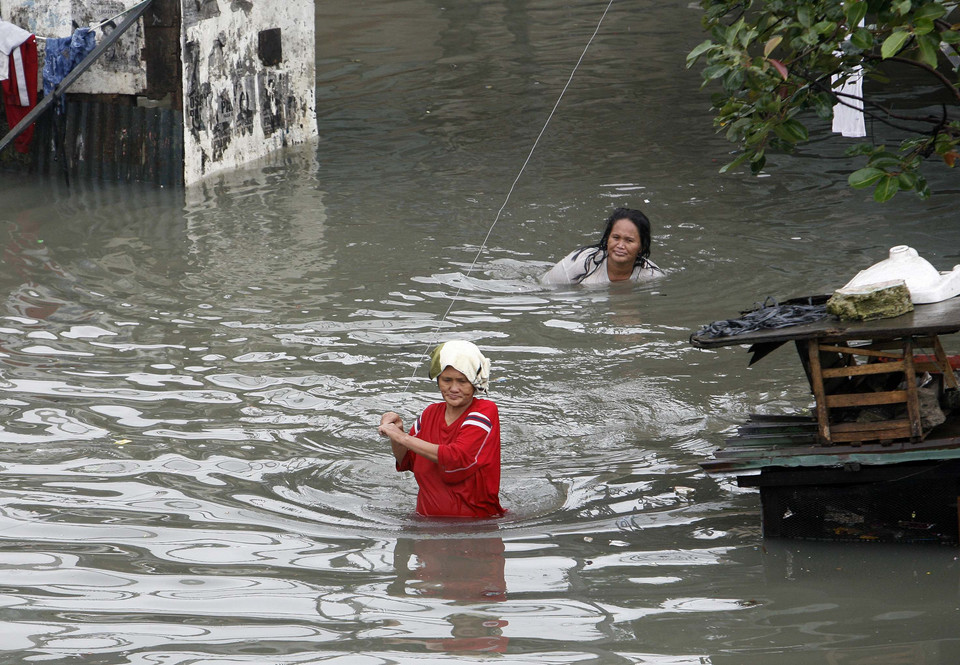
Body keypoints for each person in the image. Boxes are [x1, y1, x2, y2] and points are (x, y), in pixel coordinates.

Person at [379, 340, 504, 518]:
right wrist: (396, 433)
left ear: (475, 383)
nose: (454, 388)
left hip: (477, 529)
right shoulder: (430, 413)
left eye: (462, 381)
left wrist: (402, 437)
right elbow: (408, 460)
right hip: (425, 526)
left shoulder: (485, 411)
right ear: (437, 379)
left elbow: (456, 457)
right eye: (447, 380)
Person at [539, 207, 663, 285]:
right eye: (615, 237)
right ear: (607, 239)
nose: (620, 245)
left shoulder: (651, 275)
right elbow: (544, 287)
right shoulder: (581, 263)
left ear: (641, 247)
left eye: (629, 240)